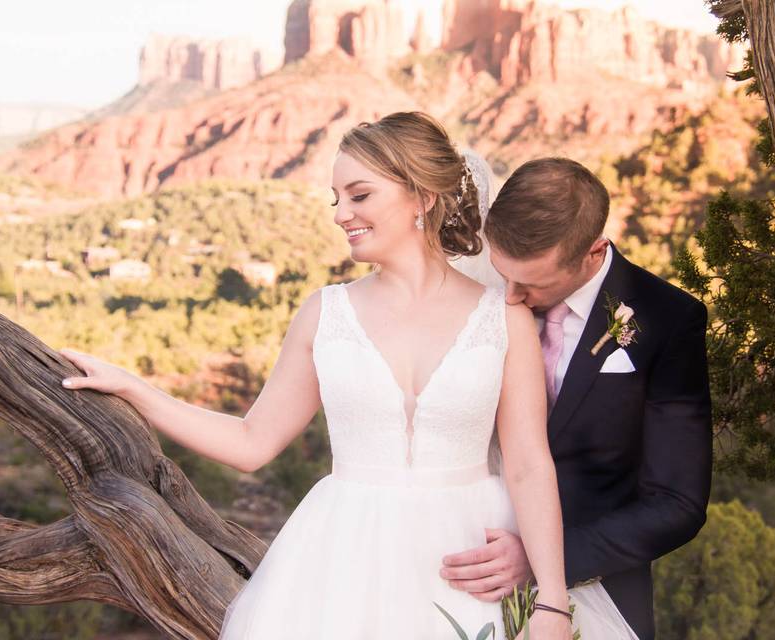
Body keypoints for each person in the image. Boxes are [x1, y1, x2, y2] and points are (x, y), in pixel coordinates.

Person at [58, 113, 635, 639]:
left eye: (359, 195)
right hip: (345, 559)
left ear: (423, 198)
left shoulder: (503, 316)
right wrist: (134, 388)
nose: (341, 215)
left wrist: (553, 604)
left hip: (478, 558)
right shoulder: (323, 313)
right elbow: (251, 442)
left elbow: (531, 464)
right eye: (336, 198)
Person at [444, 157, 713, 640]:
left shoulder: (667, 321)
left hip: (597, 589)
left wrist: (545, 559)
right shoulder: (476, 301)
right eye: (503, 273)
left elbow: (679, 503)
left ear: (594, 251)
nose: (509, 295)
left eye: (532, 284)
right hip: (465, 568)